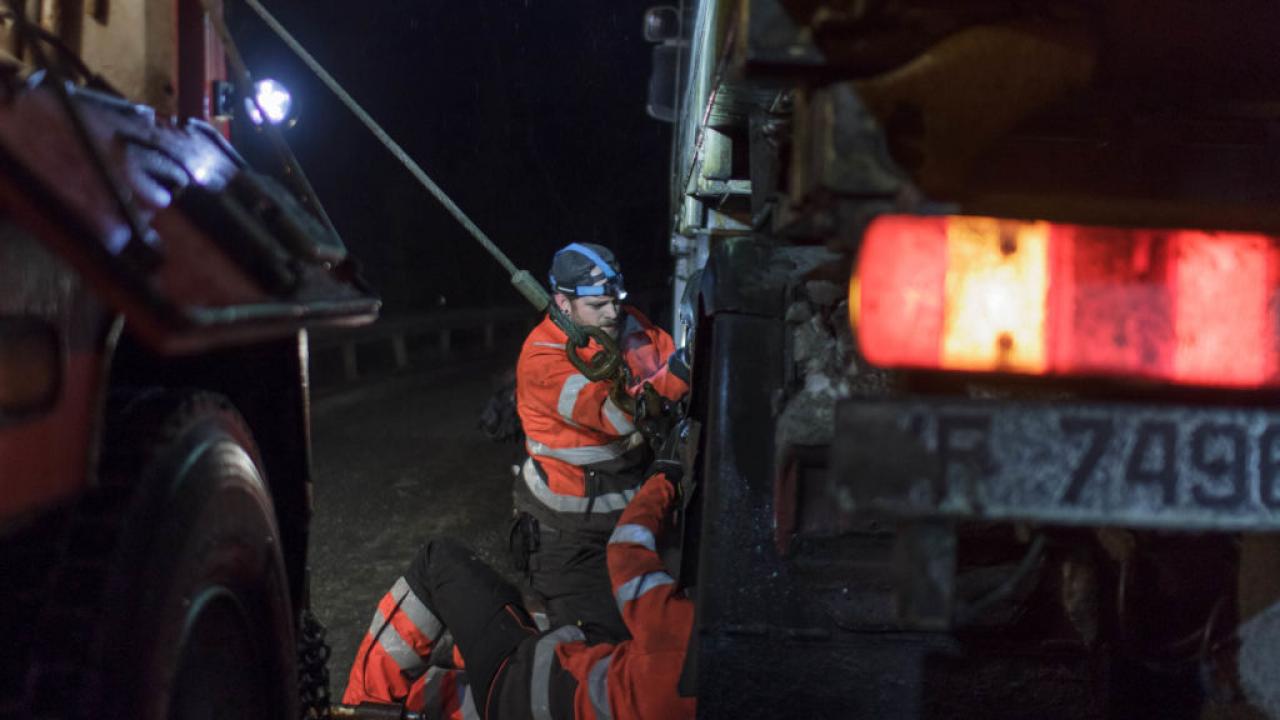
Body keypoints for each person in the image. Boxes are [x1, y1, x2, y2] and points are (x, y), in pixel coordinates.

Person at [342, 471, 695, 720]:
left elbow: (627, 549)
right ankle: (454, 661)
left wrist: (663, 481)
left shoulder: (690, 636)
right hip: (541, 698)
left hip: (521, 689)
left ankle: (364, 706)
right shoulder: (738, 692)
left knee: (440, 560)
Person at [511, 242, 689, 641]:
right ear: (563, 302)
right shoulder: (543, 358)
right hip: (572, 537)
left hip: (632, 520)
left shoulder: (629, 325)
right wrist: (679, 374)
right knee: (599, 647)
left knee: (664, 632)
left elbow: (669, 360)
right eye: (598, 306)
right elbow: (618, 413)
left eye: (616, 299)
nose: (612, 313)